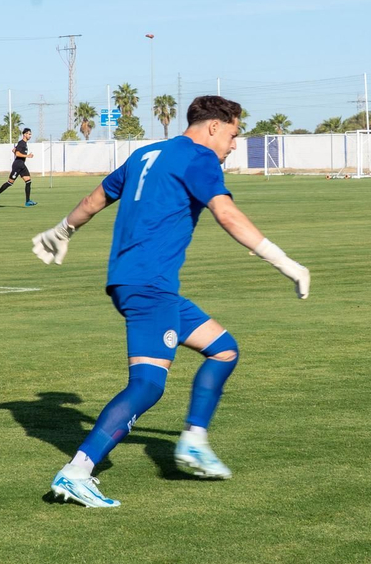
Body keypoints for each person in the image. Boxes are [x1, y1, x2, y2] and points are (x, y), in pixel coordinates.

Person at [30, 95, 311, 508]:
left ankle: (194, 441)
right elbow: (227, 214)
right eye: (233, 135)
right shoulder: (199, 158)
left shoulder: (146, 153)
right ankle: (77, 471)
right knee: (146, 385)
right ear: (214, 127)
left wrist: (62, 230)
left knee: (224, 350)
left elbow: (95, 200)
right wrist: (285, 262)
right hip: (150, 287)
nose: (233, 145)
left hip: (139, 283)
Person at [0, 128, 36, 207]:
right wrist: (27, 156)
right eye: (29, 134)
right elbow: (17, 154)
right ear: (24, 134)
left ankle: (28, 201)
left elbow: (14, 150)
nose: (30, 136)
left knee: (28, 181)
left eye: (30, 134)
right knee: (10, 183)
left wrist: (16, 151)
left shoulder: (23, 143)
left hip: (22, 165)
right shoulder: (22, 143)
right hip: (17, 165)